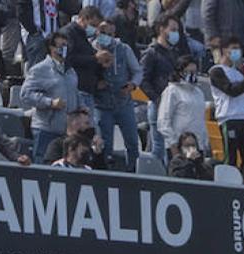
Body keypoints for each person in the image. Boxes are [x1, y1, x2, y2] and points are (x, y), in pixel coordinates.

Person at [21, 31, 79, 163]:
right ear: (52, 48)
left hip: (66, 131)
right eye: (61, 45)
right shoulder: (40, 69)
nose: (65, 49)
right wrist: (50, 102)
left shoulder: (70, 71)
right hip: (46, 129)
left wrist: (81, 107)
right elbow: (25, 94)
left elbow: (75, 92)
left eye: (66, 45)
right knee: (43, 166)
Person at [91, 18, 141, 172]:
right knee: (106, 143)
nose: (105, 35)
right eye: (102, 32)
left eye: (108, 33)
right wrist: (95, 84)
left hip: (124, 102)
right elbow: (84, 73)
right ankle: (107, 171)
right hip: (102, 104)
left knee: (132, 140)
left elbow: (137, 71)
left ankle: (134, 169)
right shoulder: (90, 49)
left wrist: (132, 84)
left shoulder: (124, 49)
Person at [140, 16, 182, 163]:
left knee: (170, 145)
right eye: (172, 30)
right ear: (161, 29)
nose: (175, 33)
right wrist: (156, 99)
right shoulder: (151, 53)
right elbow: (143, 80)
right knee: (158, 147)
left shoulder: (173, 53)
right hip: (158, 104)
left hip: (173, 104)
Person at [159, 57, 209, 159]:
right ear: (180, 72)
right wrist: (173, 146)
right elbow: (163, 122)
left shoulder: (198, 93)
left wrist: (204, 143)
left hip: (197, 145)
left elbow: (201, 120)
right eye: (189, 71)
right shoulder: (172, 91)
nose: (192, 74)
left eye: (195, 72)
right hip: (179, 145)